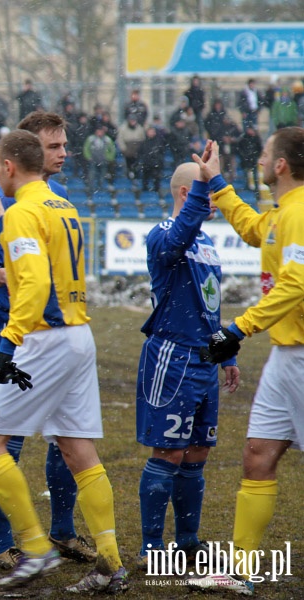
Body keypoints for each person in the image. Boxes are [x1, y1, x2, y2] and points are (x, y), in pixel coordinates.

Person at [0, 129, 127, 593]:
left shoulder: (23, 211)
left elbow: (35, 285)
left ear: (7, 167)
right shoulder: (63, 205)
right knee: (78, 449)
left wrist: (9, 341)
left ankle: (35, 548)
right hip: (78, 334)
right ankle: (110, 563)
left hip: (44, 341)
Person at [187, 129, 304, 595]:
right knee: (258, 456)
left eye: (265, 153)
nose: (259, 158)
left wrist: (238, 328)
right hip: (286, 354)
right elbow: (255, 230)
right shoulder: (282, 213)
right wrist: (217, 182)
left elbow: (296, 284)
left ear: (280, 165)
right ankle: (241, 570)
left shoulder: (299, 214)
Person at [135, 160, 240, 571]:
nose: (211, 200)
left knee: (197, 452)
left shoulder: (208, 243)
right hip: (172, 358)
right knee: (169, 452)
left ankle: (188, 541)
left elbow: (210, 309)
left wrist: (225, 354)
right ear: (186, 193)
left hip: (204, 361)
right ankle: (150, 547)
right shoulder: (163, 233)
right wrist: (200, 195)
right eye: (205, 193)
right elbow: (175, 241)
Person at [83, 124, 116, 192]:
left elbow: (112, 149)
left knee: (102, 175)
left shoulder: (107, 139)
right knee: (92, 175)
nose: (99, 133)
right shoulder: (91, 139)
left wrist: (108, 158)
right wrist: (89, 157)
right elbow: (86, 148)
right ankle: (91, 188)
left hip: (103, 161)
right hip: (93, 160)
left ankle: (100, 188)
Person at [236, 124, 263, 192]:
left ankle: (256, 190)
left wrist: (256, 155)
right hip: (245, 159)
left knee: (255, 175)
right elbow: (239, 148)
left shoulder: (256, 138)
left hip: (253, 159)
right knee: (246, 173)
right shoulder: (243, 138)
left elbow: (260, 148)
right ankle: (247, 186)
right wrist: (243, 156)